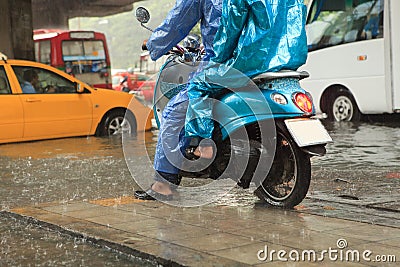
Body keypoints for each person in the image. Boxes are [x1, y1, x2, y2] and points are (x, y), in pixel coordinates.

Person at [184, 0, 308, 158]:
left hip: (253, 61)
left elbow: (230, 29)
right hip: (291, 60)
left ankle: (204, 145)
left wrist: (217, 59)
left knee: (198, 84)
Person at [134, 0, 223, 200]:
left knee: (174, 112)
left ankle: (163, 185)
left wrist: (153, 43)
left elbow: (177, 21)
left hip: (222, 64)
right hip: (268, 61)